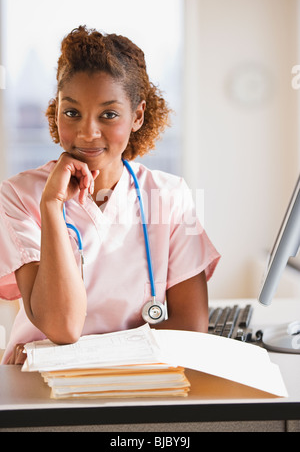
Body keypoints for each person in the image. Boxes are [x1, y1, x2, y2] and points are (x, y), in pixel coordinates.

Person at [0, 26, 220, 364]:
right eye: (72, 112)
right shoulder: (19, 195)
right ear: (56, 110)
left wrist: (80, 356)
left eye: (109, 114)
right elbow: (62, 327)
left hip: (138, 386)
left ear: (138, 116)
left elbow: (190, 327)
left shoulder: (170, 196)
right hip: (39, 387)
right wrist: (52, 206)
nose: (88, 132)